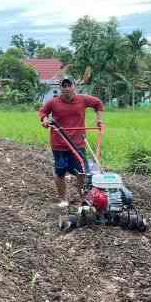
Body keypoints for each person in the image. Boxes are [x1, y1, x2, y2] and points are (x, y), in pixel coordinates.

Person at [38, 77, 103, 207]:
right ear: (60, 88)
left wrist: (99, 120)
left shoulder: (82, 99)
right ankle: (63, 199)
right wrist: (44, 120)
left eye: (69, 85)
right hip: (59, 144)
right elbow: (42, 111)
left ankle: (83, 198)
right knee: (60, 172)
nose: (66, 88)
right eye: (64, 86)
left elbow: (98, 104)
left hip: (78, 144)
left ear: (74, 87)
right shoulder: (53, 102)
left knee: (82, 173)